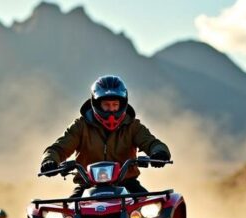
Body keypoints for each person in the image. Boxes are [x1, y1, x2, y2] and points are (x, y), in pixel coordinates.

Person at [40, 75, 171, 197]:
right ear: (96, 104)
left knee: (155, 212)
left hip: (127, 183)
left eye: (115, 105)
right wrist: (49, 161)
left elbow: (152, 143)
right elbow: (58, 149)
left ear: (122, 104)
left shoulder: (133, 126)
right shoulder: (81, 126)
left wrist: (159, 152)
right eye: (106, 105)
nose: (112, 110)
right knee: (67, 217)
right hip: (87, 185)